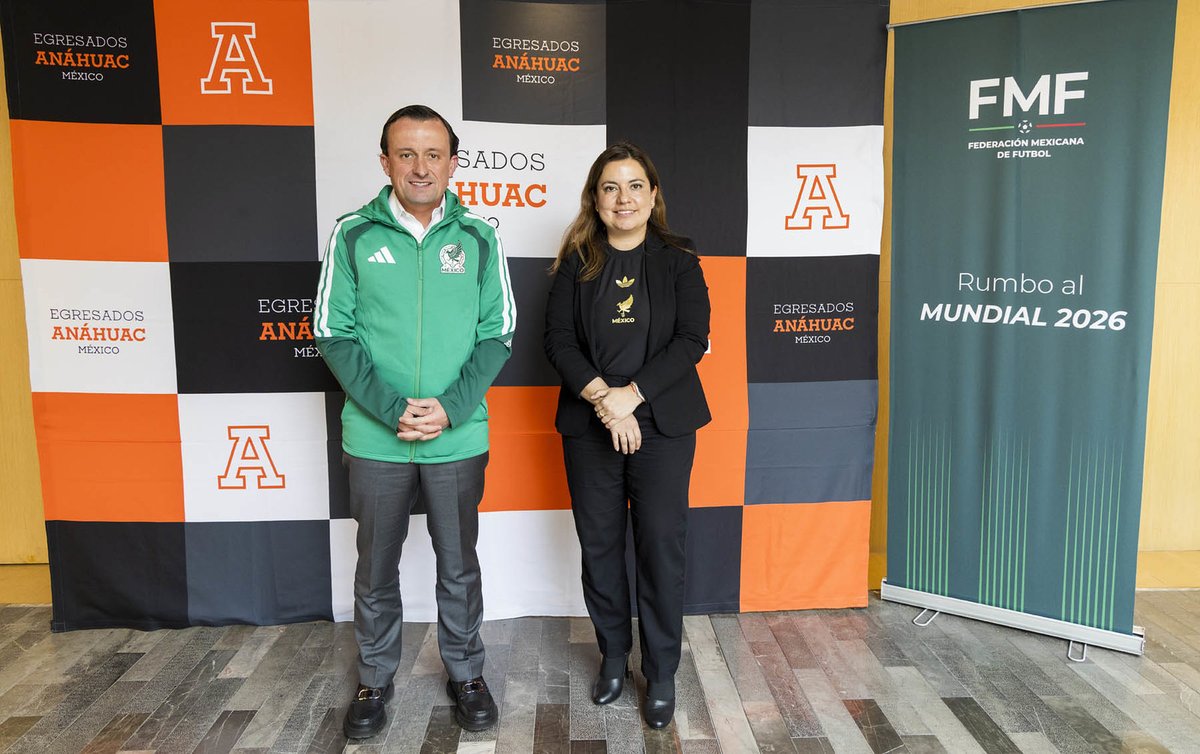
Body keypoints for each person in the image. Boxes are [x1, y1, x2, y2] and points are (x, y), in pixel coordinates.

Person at [314, 104, 516, 739]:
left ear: (453, 163)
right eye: (406, 154)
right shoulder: (351, 233)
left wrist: (450, 407)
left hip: (456, 435)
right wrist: (393, 407)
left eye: (434, 154)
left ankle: (467, 675)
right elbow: (333, 332)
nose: (421, 167)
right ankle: (374, 678)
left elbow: (498, 333)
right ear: (385, 163)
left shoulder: (482, 235)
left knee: (458, 565)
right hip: (377, 437)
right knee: (375, 567)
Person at [543, 142, 711, 729]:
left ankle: (660, 671)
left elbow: (693, 340)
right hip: (590, 427)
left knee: (661, 546)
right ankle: (614, 657)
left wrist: (631, 399)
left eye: (635, 185)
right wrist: (604, 403)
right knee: (601, 547)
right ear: (595, 197)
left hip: (662, 426)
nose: (624, 198)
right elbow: (558, 342)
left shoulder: (679, 259)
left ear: (653, 195)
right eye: (611, 187)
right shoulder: (576, 259)